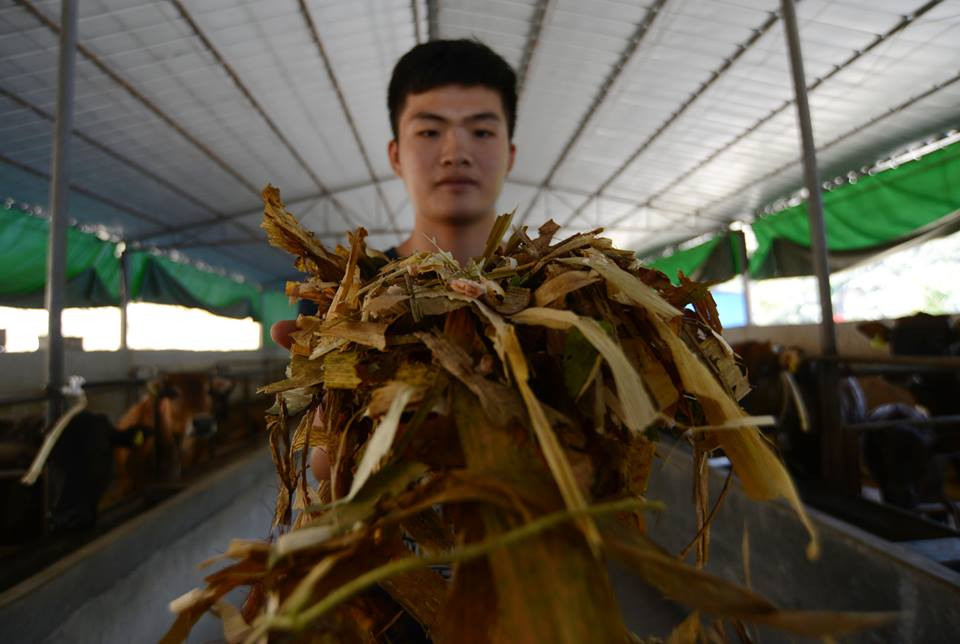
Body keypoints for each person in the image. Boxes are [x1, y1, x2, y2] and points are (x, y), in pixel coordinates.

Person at [270, 39, 519, 483]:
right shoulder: (341, 295)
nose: (455, 152)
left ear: (510, 154)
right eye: (429, 131)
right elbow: (327, 468)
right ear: (395, 155)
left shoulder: (564, 291)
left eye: (481, 131)